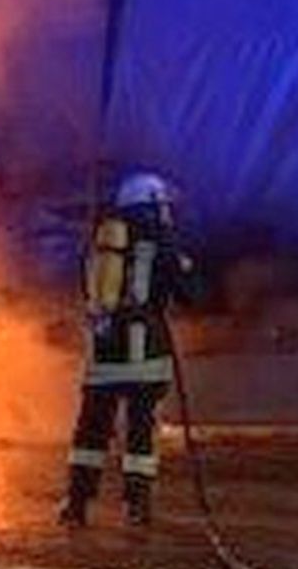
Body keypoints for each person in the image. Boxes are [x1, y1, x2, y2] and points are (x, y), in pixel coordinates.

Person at [59, 170, 199, 529]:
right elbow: (191, 296)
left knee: (91, 431)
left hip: (103, 352)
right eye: (162, 205)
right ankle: (136, 507)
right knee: (140, 433)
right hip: (145, 355)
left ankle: (76, 504)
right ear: (152, 206)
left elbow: (89, 291)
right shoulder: (162, 246)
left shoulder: (101, 243)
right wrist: (184, 268)